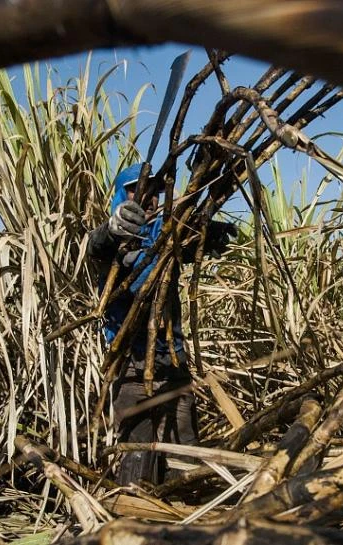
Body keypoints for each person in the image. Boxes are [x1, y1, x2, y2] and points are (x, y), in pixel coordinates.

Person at [86, 163, 235, 486]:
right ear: (120, 194)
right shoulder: (115, 234)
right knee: (136, 460)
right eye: (137, 189)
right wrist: (112, 231)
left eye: (155, 190)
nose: (149, 197)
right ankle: (136, 521)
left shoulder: (168, 233)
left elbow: (192, 240)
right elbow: (95, 245)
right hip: (130, 366)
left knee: (186, 458)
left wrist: (209, 234)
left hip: (172, 362)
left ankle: (186, 521)